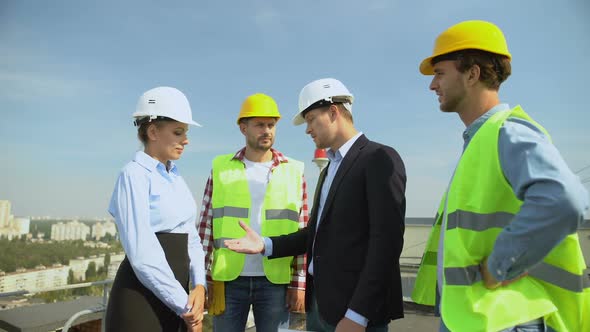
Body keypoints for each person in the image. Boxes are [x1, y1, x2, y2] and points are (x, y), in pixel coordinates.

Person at [411, 20, 590, 332]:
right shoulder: (481, 140)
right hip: (477, 318)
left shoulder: (507, 131)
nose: (432, 85)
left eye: (440, 73)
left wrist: (499, 265)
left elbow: (565, 200)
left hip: (505, 319)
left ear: (472, 73)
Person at [225, 78, 407, 332]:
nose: (307, 129)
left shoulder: (378, 158)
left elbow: (385, 244)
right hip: (320, 307)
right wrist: (265, 244)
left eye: (311, 119)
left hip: (354, 313)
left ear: (333, 112)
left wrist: (358, 314)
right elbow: (316, 235)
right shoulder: (330, 169)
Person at [197, 93, 309, 332]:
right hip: (228, 279)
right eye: (259, 125)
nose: (267, 130)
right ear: (243, 127)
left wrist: (299, 284)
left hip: (275, 281)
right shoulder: (221, 168)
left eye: (271, 125)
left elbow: (303, 230)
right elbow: (205, 228)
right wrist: (201, 280)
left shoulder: (294, 171)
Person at [106, 86, 206, 332]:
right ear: (152, 131)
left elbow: (191, 236)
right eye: (178, 132)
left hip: (177, 299)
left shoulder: (175, 177)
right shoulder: (133, 175)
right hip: (141, 301)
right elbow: (142, 254)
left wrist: (200, 285)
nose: (186, 139)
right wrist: (185, 307)